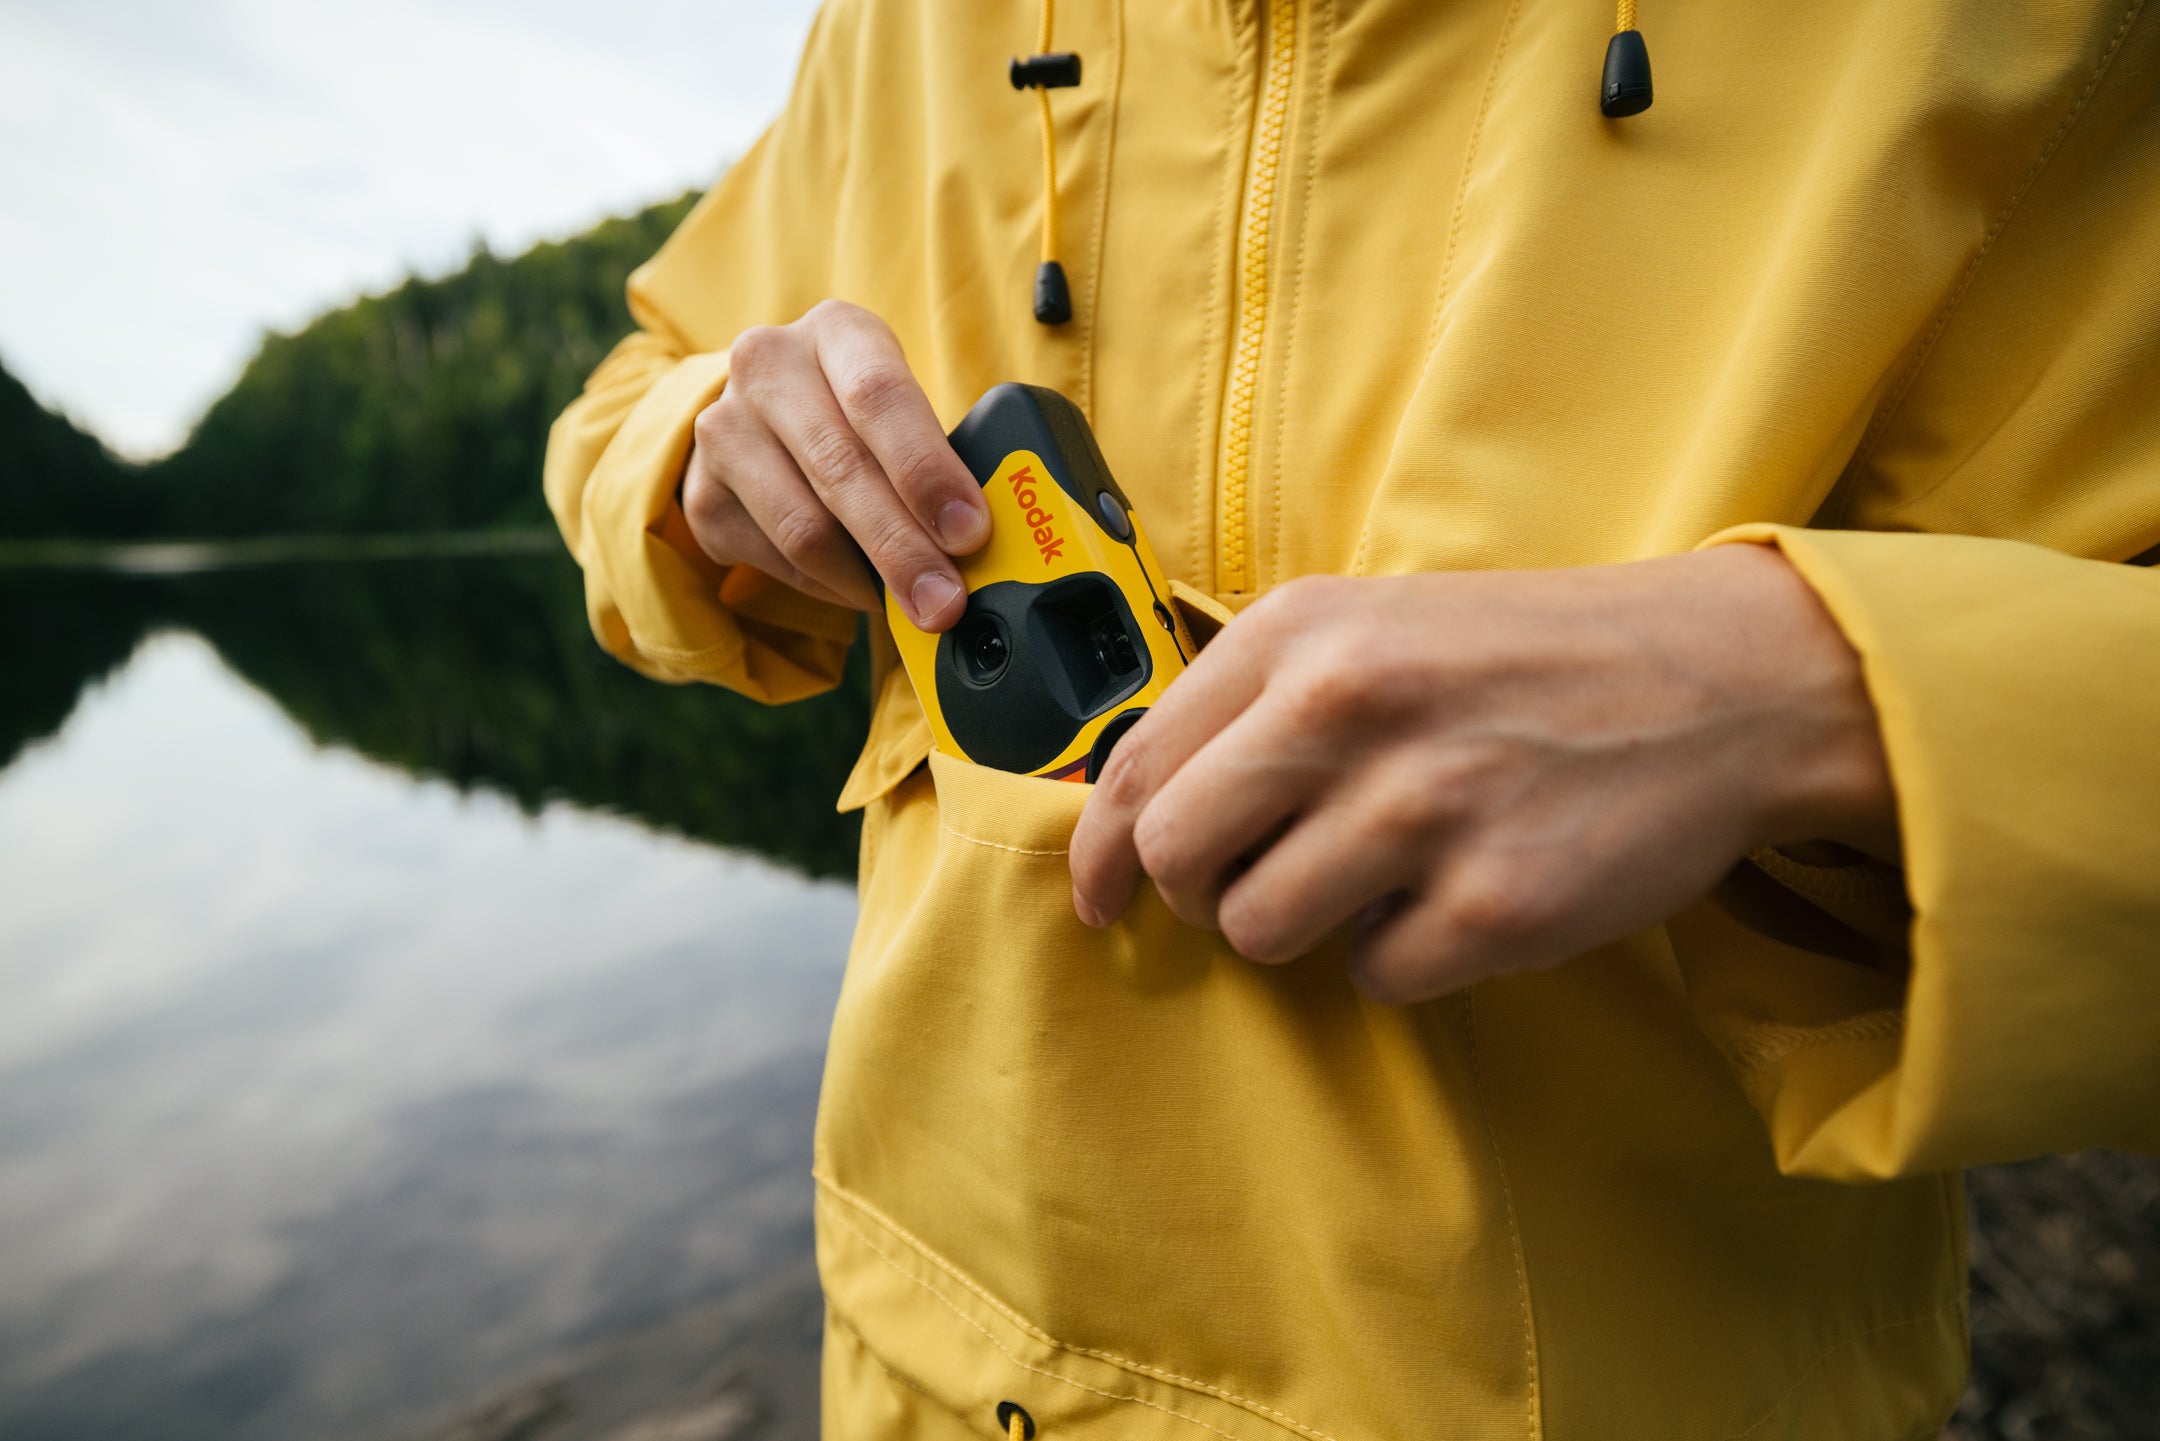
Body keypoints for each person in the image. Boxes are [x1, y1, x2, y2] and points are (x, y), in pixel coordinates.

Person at [544, 0, 2160, 1434]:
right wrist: (703, 448)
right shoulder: (902, 23)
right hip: (936, 1366)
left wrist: (1806, 688)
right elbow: (632, 391)